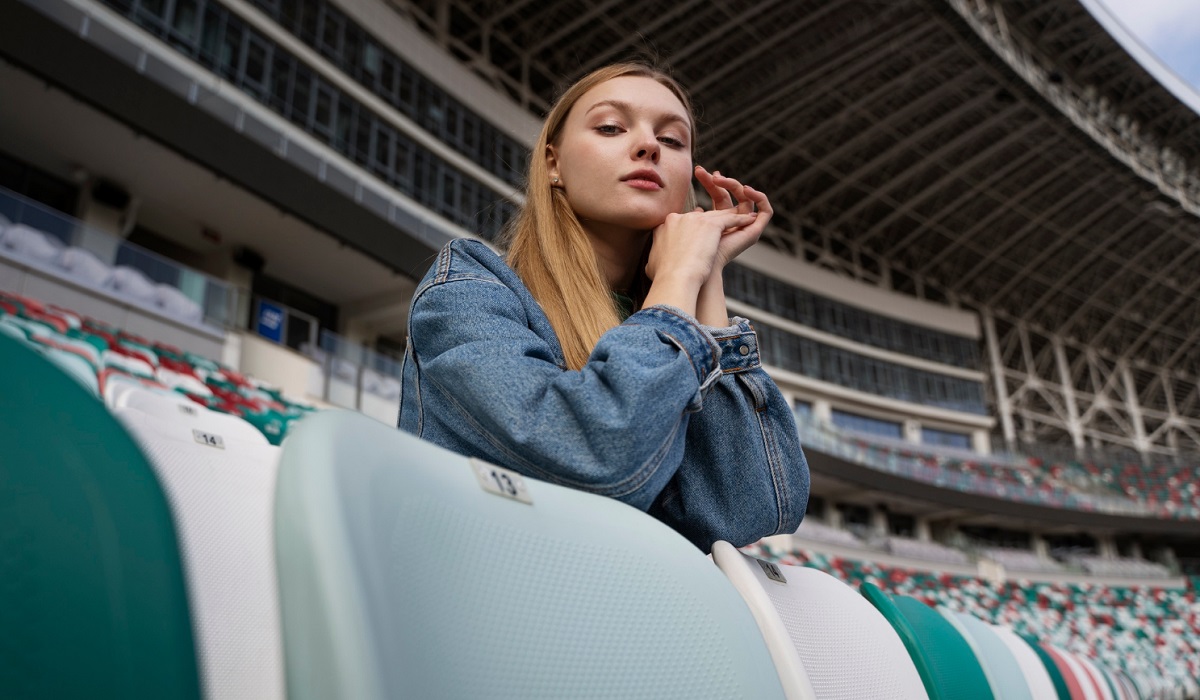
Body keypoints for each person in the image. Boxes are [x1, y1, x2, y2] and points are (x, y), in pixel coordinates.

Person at [398, 62, 808, 552]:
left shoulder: (664, 316)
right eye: (611, 127)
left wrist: (706, 276)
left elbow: (744, 511)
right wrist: (678, 278)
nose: (649, 146)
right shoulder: (470, 288)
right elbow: (597, 457)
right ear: (553, 164)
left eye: (673, 141)